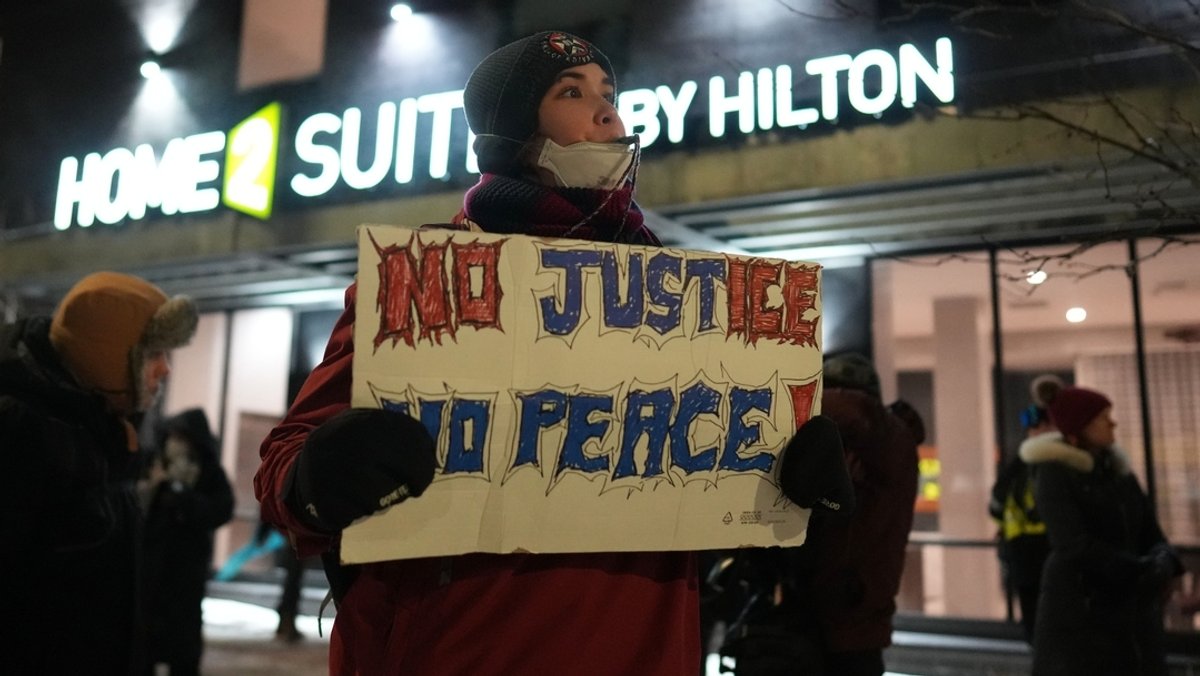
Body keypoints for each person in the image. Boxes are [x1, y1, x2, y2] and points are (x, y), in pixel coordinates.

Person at [256, 31, 846, 676]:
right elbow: (285, 470)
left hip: (645, 646)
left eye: (609, 94)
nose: (607, 113)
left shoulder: (682, 299)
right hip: (463, 645)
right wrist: (320, 477)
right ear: (512, 129)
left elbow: (704, 493)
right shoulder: (426, 279)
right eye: (572, 92)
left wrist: (788, 473)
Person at [0, 271, 198, 675]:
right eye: (153, 353)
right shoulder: (22, 433)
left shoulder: (102, 433)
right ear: (110, 355)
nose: (165, 370)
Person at [1020, 383, 1182, 676]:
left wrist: (1166, 561)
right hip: (1081, 615)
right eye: (1102, 417)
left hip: (1132, 618)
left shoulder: (1118, 473)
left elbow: (1149, 530)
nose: (1112, 423)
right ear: (1079, 428)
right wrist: (1142, 571)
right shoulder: (1054, 474)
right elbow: (1072, 544)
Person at [790, 353, 922, 676]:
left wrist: (784, 400)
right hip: (840, 618)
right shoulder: (878, 450)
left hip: (848, 617)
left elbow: (854, 409)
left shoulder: (888, 435)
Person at [140, 407, 234, 675]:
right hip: (151, 571)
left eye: (183, 436)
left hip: (187, 574)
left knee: (183, 651)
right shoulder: (154, 464)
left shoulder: (208, 472)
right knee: (144, 646)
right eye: (174, 435)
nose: (177, 442)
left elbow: (221, 509)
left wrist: (183, 497)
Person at [988, 374, 1060, 642]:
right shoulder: (1066, 462)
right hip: (1051, 558)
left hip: (1024, 560)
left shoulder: (1020, 465)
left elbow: (996, 505)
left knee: (1039, 635)